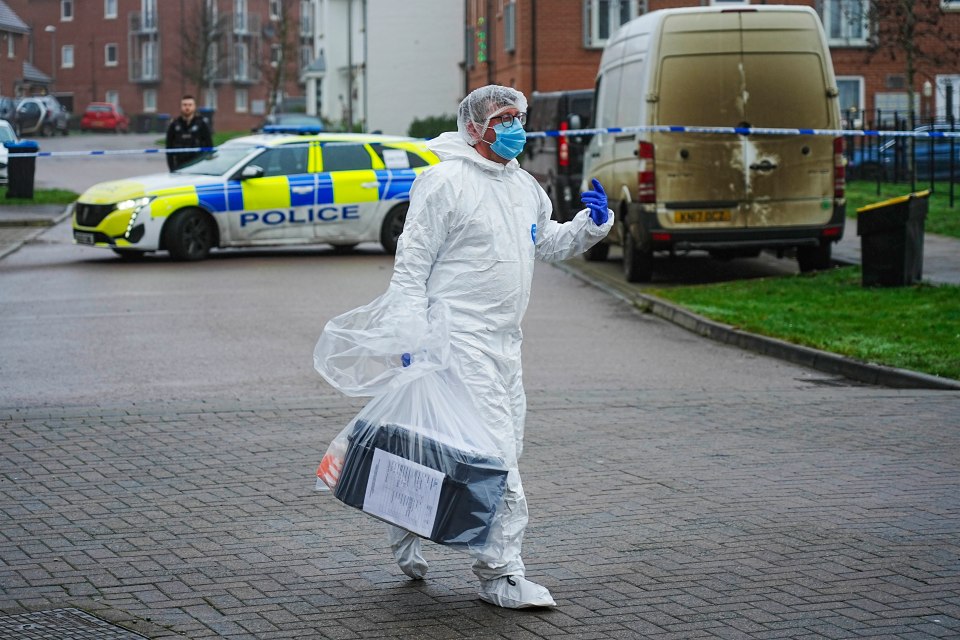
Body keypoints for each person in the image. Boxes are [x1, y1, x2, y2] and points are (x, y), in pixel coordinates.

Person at [383, 85, 614, 609]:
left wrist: (590, 224)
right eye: (505, 117)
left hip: (506, 346)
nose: (516, 126)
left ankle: (404, 524)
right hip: (456, 342)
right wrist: (408, 336)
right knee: (497, 459)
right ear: (475, 127)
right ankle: (501, 574)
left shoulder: (524, 186)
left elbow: (544, 243)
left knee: (462, 453)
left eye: (520, 116)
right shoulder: (443, 183)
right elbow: (412, 264)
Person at [165, 95, 213, 171]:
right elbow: (169, 148)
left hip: (198, 165)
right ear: (181, 107)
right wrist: (172, 168)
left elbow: (209, 145)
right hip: (179, 165)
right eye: (184, 105)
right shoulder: (174, 125)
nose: (187, 107)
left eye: (190, 105)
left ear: (194, 107)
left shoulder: (202, 124)